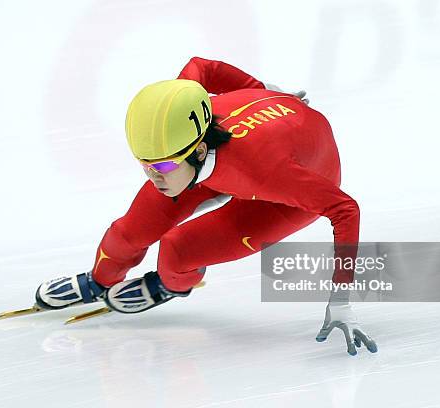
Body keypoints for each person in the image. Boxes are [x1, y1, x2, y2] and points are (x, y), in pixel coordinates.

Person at [35, 57, 377, 355]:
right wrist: (258, 89)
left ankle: (171, 285)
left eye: (164, 166)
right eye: (145, 165)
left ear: (198, 152)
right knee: (127, 233)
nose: (154, 176)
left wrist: (341, 297)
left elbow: (345, 209)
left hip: (288, 186)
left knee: (177, 251)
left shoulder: (265, 172)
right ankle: (98, 280)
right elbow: (202, 66)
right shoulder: (181, 119)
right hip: (233, 155)